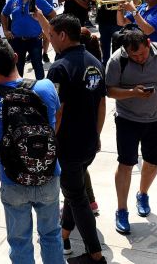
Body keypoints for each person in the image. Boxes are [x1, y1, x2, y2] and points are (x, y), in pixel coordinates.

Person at [0, 36, 63, 264]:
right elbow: (55, 116)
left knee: (20, 241)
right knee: (51, 235)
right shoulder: (45, 87)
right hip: (48, 175)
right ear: (15, 57)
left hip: (13, 181)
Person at [38, 14, 106, 263]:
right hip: (88, 142)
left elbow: (57, 110)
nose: (51, 40)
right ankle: (64, 233)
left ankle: (95, 255)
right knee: (73, 190)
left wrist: (48, 144)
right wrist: (97, 135)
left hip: (68, 145)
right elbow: (101, 104)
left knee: (77, 197)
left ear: (63, 35)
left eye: (52, 36)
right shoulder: (94, 61)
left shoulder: (59, 67)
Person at [104, 28, 157, 236]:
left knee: (153, 162)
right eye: (133, 55)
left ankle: (143, 194)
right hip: (127, 119)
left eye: (142, 54)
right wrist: (132, 92)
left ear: (148, 43)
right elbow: (110, 91)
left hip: (156, 118)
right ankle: (121, 210)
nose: (138, 58)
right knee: (126, 164)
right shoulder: (117, 60)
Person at [0, 0, 56, 81]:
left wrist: (46, 31)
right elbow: (4, 14)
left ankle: (41, 92)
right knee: (17, 69)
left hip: (35, 41)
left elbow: (53, 14)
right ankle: (17, 92)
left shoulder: (39, 0)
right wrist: (5, 30)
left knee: (38, 68)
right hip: (16, 41)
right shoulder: (13, 0)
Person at [92, 0, 124, 64]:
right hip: (102, 20)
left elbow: (116, 0)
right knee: (104, 44)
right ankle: (105, 63)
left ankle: (115, 63)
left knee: (116, 44)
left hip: (114, 20)